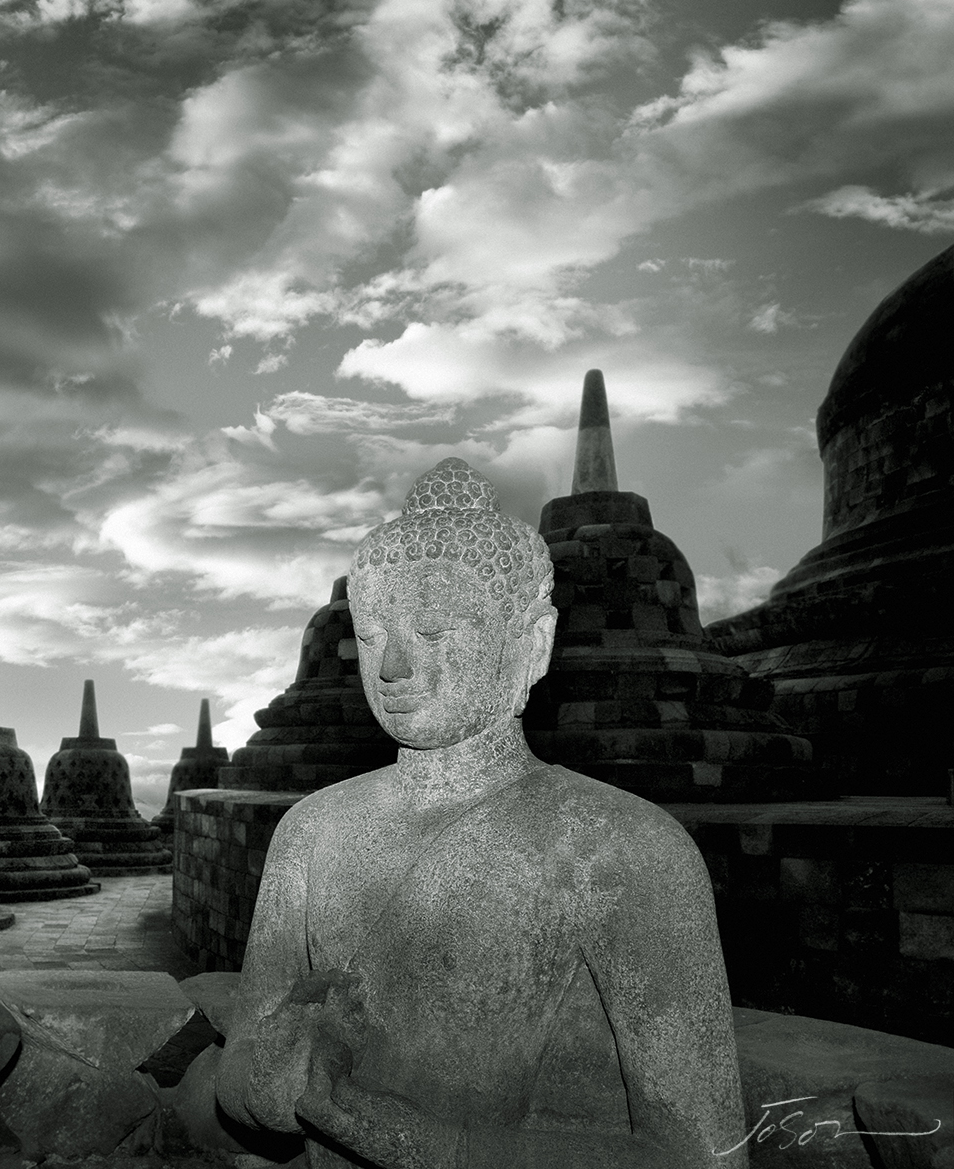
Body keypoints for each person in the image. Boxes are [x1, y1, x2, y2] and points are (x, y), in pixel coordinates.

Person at [216, 458, 744, 1169]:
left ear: (531, 644)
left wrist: (439, 1149)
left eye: (433, 634)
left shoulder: (623, 851)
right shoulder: (311, 832)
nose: (394, 668)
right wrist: (270, 1083)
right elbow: (241, 1064)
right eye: (373, 637)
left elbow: (703, 1156)